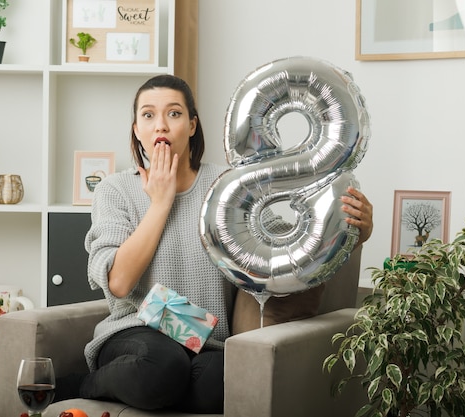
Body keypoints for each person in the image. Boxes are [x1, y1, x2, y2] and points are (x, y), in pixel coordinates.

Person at [76, 74, 374, 414]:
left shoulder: (227, 186)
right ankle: (85, 383)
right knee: (162, 366)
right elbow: (119, 282)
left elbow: (281, 242)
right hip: (135, 331)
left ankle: (163, 390)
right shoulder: (116, 189)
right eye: (148, 115)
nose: (160, 125)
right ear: (136, 130)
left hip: (204, 341)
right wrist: (160, 202)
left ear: (191, 125)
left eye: (173, 114)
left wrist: (354, 229)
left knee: (225, 384)